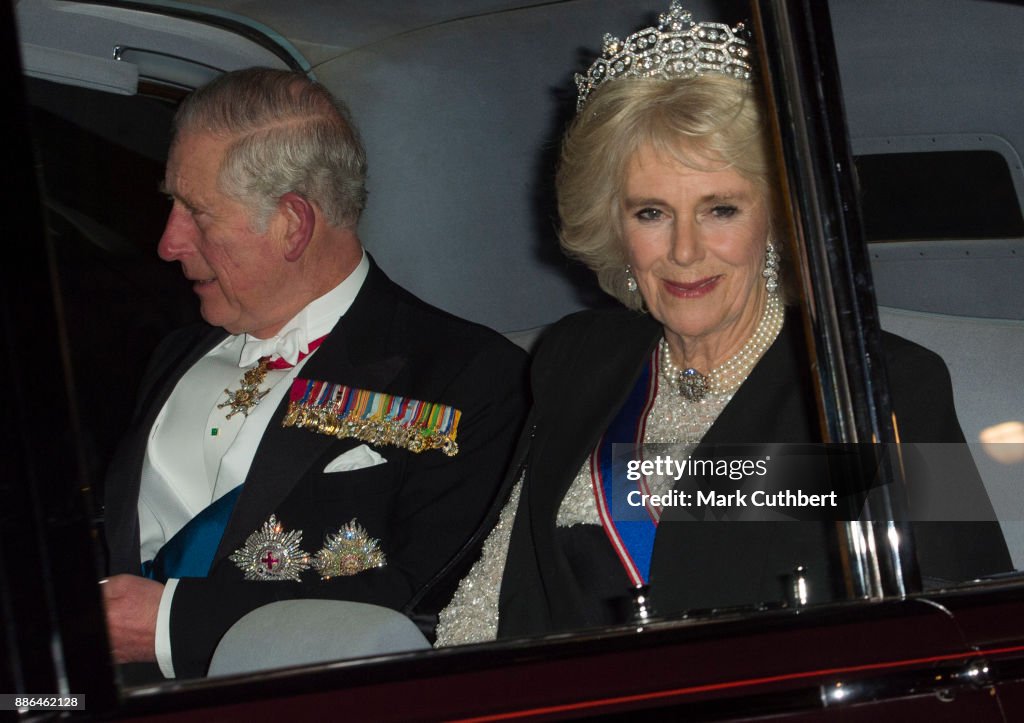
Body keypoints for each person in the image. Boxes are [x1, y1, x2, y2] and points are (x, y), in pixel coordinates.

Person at [435, 2, 1011, 646]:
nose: (684, 251)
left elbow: (964, 637)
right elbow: (496, 595)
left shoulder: (881, 385)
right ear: (613, 225)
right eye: (651, 212)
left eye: (721, 210)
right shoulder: (577, 357)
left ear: (780, 220)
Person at [101, 68, 528, 678]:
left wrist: (173, 625)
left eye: (197, 212)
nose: (169, 242)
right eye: (172, 203)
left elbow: (427, 604)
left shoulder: (466, 377)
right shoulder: (175, 353)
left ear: (292, 224)